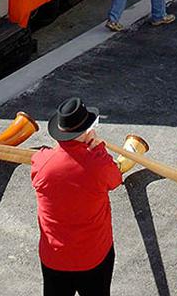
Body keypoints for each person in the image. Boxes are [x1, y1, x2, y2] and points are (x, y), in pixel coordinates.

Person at [32, 98, 123, 296]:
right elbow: (115, 180)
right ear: (87, 131)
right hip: (94, 255)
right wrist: (98, 148)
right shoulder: (99, 165)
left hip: (54, 257)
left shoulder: (41, 161)